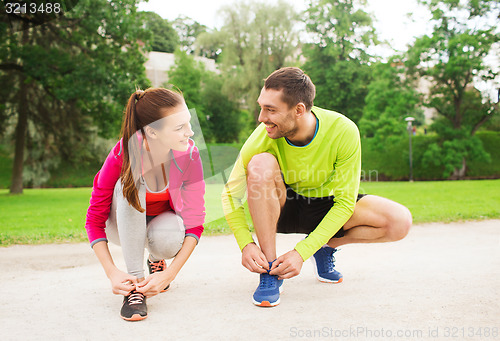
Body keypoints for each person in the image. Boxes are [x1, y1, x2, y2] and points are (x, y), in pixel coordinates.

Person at [221, 67, 412, 307]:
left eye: (270, 110)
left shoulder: (343, 130)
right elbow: (230, 194)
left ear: (299, 110)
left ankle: (324, 246)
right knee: (259, 163)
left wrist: (303, 251)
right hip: (282, 206)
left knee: (399, 221)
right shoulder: (263, 136)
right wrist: (245, 243)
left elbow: (344, 203)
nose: (261, 117)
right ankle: (270, 270)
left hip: (325, 206)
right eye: (261, 107)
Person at [85, 88, 205, 321]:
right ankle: (134, 285)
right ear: (152, 132)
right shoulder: (123, 153)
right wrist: (112, 273)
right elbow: (94, 220)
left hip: (159, 226)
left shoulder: (190, 155)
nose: (190, 133)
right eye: (179, 127)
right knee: (129, 185)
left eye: (188, 123)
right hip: (120, 226)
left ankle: (155, 260)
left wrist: (169, 274)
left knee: (170, 240)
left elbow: (195, 223)